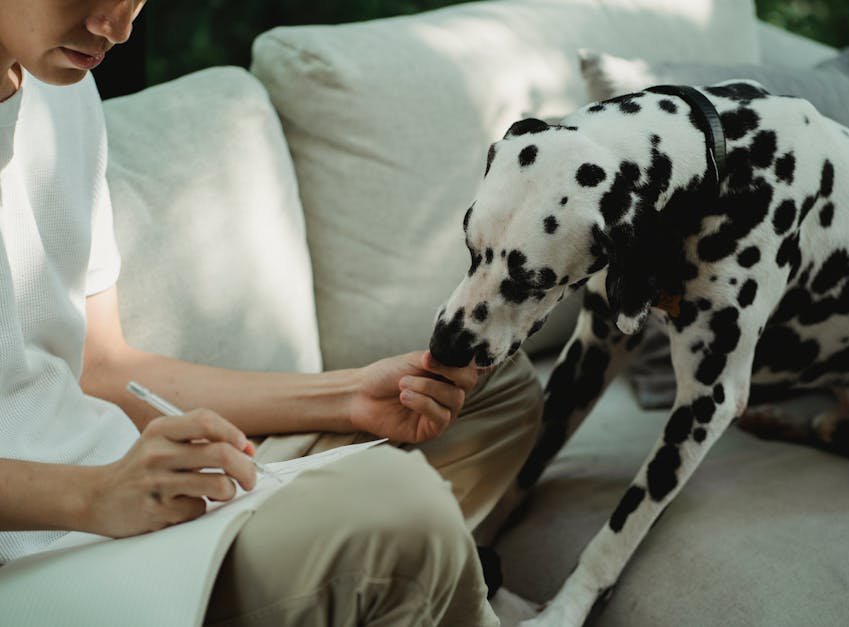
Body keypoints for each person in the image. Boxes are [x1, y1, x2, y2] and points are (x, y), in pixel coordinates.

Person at [0, 1, 542, 625]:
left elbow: (102, 366)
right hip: (36, 551)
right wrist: (93, 497)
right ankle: (420, 575)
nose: (117, 28)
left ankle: (399, 576)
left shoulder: (64, 95)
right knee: (398, 507)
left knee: (486, 392)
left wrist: (347, 397)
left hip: (131, 493)